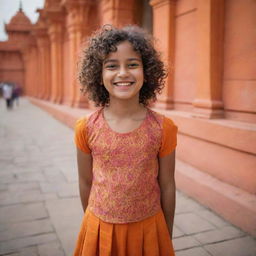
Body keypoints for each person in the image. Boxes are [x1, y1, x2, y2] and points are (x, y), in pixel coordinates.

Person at [74, 25, 178, 256]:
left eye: (132, 64)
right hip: (100, 227)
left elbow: (168, 184)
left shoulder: (163, 128)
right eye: (112, 65)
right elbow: (85, 181)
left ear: (147, 72)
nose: (122, 73)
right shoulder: (86, 127)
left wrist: (166, 233)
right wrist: (93, 225)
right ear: (98, 75)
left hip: (149, 228)